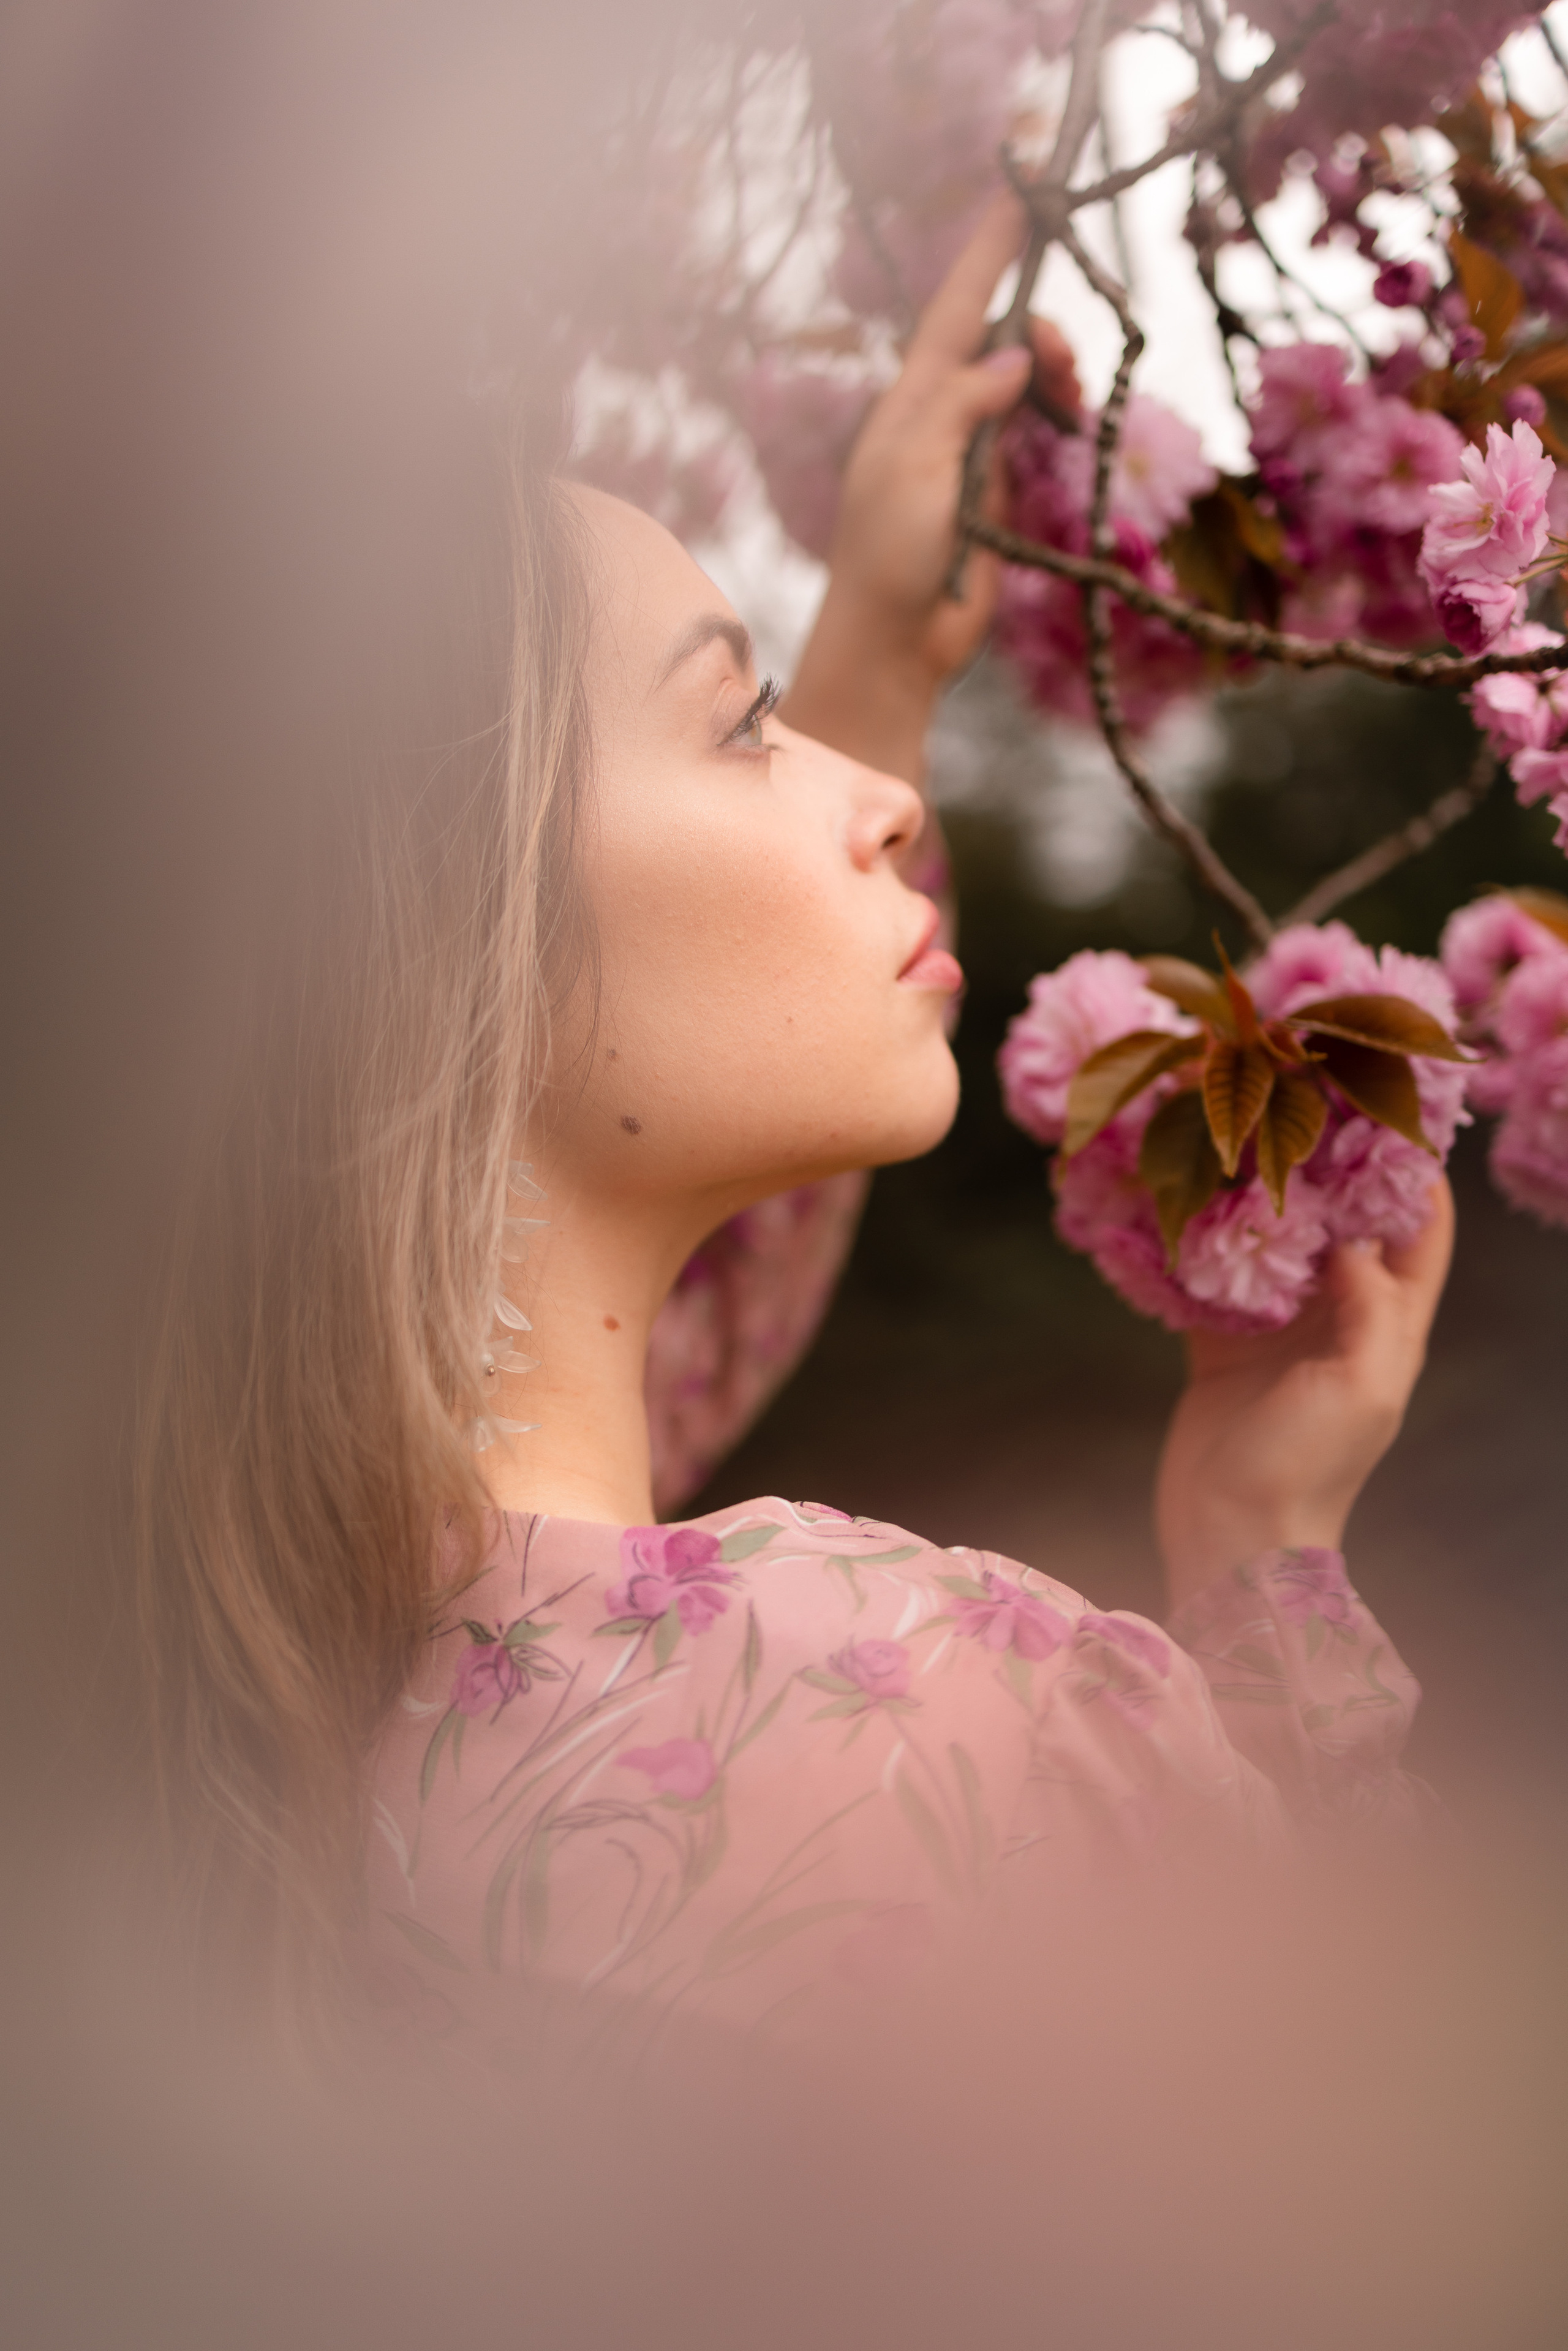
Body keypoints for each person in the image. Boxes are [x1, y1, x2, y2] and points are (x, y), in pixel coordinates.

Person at [138, 199, 1452, 2035]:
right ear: (439, 932)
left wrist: (875, 658)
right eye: (741, 718)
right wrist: (1269, 1581)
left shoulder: (187, 1700)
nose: (885, 804)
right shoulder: (939, 1714)